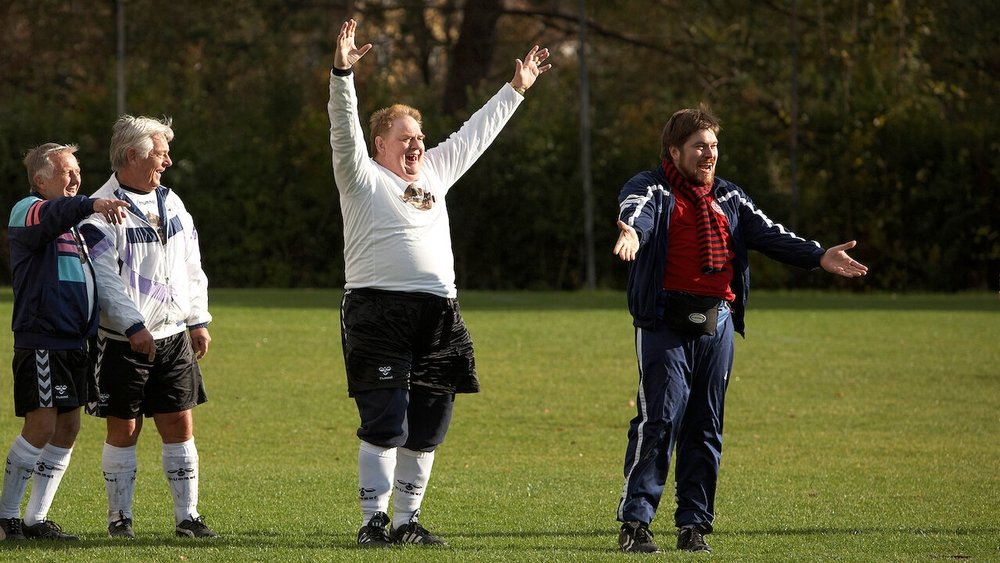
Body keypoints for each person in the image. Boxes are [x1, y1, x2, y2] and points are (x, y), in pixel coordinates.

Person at [328, 18, 551, 547]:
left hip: (440, 314)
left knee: (429, 423)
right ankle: (372, 523)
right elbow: (343, 127)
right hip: (378, 311)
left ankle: (407, 522)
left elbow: (476, 133)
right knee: (385, 421)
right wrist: (341, 74)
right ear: (378, 144)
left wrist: (515, 89)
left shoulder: (434, 171)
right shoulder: (361, 177)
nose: (416, 145)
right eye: (405, 138)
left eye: (420, 137)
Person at [612, 106, 868, 554]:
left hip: (717, 323)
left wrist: (817, 255)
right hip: (663, 322)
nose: (709, 154)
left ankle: (693, 526)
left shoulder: (728, 197)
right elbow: (636, 212)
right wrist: (632, 233)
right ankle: (635, 523)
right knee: (660, 419)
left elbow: (770, 232)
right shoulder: (649, 186)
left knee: (706, 426)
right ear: (675, 151)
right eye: (699, 147)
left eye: (713, 146)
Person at [79, 115, 218, 539]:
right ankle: (120, 520)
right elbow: (104, 279)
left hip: (174, 334)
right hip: (124, 341)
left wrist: (197, 318)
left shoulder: (172, 202)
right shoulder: (101, 211)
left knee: (179, 422)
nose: (168, 162)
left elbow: (191, 264)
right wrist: (133, 325)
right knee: (125, 427)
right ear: (133, 155)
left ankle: (187, 518)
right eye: (161, 154)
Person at [2, 143, 129, 541]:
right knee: (40, 424)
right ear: (41, 179)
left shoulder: (72, 223)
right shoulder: (29, 209)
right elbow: (54, 212)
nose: (76, 178)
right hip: (43, 339)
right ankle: (5, 516)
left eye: (78, 170)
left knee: (69, 427)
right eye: (66, 171)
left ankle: (35, 520)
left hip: (75, 343)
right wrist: (92, 204)